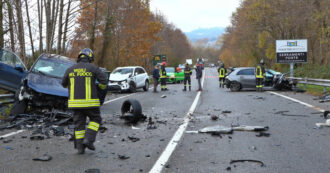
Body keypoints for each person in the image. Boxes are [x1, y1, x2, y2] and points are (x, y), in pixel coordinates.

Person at [62, 48, 107, 154]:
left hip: (75, 104)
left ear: (79, 57)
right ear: (90, 57)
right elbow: (104, 81)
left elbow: (63, 84)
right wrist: (99, 89)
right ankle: (88, 139)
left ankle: (80, 148)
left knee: (79, 125)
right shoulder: (93, 68)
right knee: (96, 119)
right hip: (91, 103)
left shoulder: (70, 69)